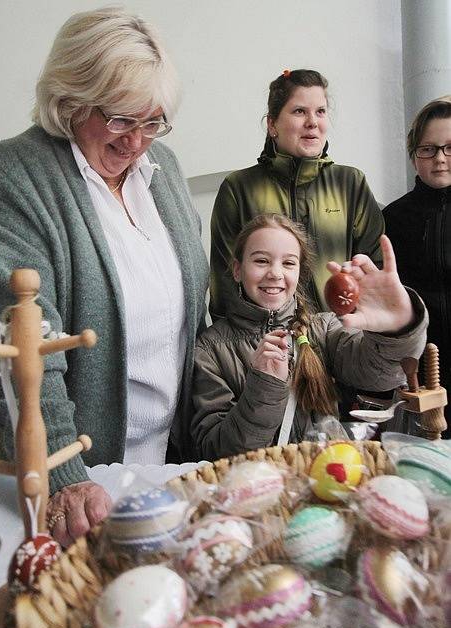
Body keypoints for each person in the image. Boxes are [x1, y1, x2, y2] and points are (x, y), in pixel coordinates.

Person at [0, 7, 208, 546]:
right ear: (69, 101)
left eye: (152, 121)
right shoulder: (15, 177)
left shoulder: (166, 171)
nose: (137, 141)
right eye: (118, 118)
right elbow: (23, 342)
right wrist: (65, 473)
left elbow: (193, 313)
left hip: (168, 463)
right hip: (80, 481)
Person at [192, 214, 427, 461]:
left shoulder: (323, 330)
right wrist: (264, 386)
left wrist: (396, 327)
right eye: (261, 261)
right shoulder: (210, 350)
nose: (275, 273)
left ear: (300, 272)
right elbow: (213, 451)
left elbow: (379, 374)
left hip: (328, 481)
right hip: (259, 491)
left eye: (288, 263)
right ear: (237, 269)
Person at [210, 69, 385, 322]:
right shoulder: (239, 188)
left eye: (321, 111)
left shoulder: (350, 183)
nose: (313, 122)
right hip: (266, 347)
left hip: (342, 340)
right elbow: (224, 281)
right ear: (272, 124)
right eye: (299, 111)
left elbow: (374, 269)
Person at [384, 96, 451, 437]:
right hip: (422, 373)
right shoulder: (393, 219)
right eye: (428, 148)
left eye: (449, 147)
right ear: (413, 155)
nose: (440, 158)